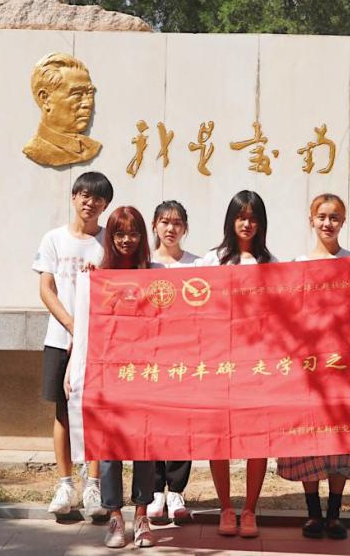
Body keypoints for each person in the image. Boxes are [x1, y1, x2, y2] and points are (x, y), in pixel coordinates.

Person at [276, 194, 350, 540]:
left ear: (343, 222)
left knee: (340, 440)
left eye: (334, 217)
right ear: (311, 220)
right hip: (310, 366)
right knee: (310, 439)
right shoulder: (298, 264)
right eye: (322, 216)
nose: (327, 223)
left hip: (344, 367)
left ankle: (334, 514)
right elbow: (288, 315)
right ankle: (313, 513)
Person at [196, 190, 278, 538]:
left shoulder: (270, 263)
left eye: (253, 218)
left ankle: (250, 510)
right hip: (219, 364)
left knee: (257, 439)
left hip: (257, 365)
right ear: (231, 220)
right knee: (220, 439)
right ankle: (226, 508)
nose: (247, 224)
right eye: (241, 217)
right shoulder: (211, 260)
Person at [32, 171, 112, 519]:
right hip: (60, 338)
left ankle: (93, 485)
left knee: (96, 412)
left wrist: (88, 332)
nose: (89, 203)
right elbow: (46, 288)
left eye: (97, 199)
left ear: (105, 205)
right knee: (63, 412)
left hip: (99, 343)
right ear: (74, 197)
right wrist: (72, 325)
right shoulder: (54, 239)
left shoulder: (108, 242)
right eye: (84, 195)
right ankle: (65, 484)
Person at [92, 206, 159, 548]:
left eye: (133, 233)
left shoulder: (156, 275)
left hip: (146, 374)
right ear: (111, 237)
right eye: (119, 233)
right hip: (109, 375)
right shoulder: (98, 275)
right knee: (109, 448)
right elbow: (88, 326)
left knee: (145, 446)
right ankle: (115, 516)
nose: (126, 240)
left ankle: (142, 515)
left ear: (142, 236)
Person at [145, 200, 198, 524]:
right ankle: (154, 491)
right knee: (151, 423)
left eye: (177, 223)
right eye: (164, 222)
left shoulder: (198, 264)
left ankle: (176, 490)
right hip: (150, 356)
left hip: (185, 356)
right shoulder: (144, 264)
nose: (170, 228)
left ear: (185, 228)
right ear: (154, 225)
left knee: (182, 423)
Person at [23, 52, 102, 167]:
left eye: (89, 93)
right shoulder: (35, 150)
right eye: (77, 94)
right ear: (45, 98)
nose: (88, 103)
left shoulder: (92, 147)